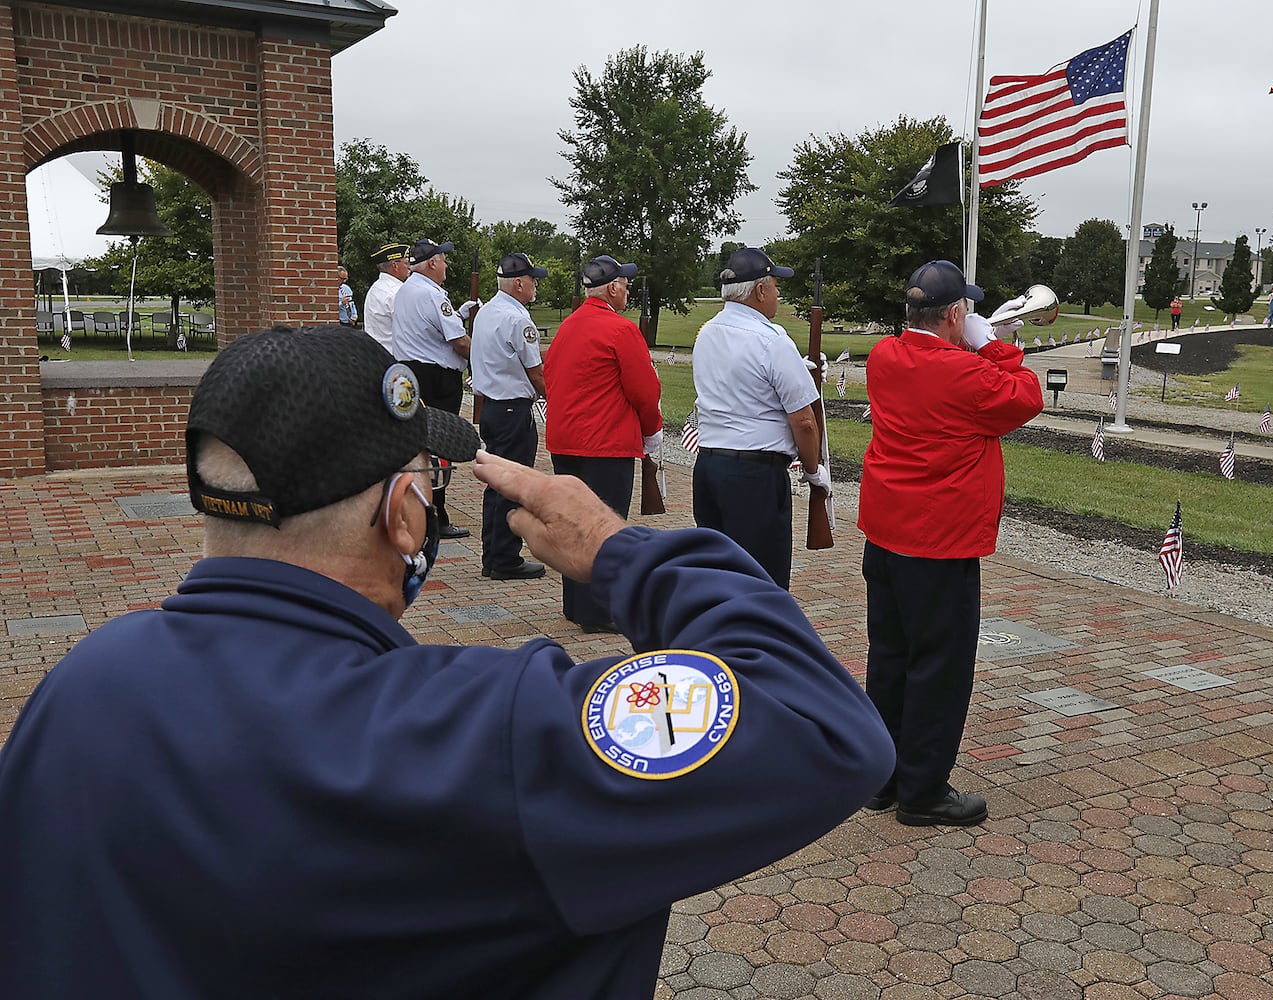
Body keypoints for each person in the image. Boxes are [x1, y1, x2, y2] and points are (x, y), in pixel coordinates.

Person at [0, 324, 894, 1000]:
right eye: (428, 478)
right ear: (403, 515)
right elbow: (825, 727)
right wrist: (622, 553)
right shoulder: (484, 728)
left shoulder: (84, 683)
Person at [858, 260, 1043, 827]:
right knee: (940, 667)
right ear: (956, 314)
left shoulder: (884, 357)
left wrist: (971, 343)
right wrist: (995, 345)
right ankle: (923, 789)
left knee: (890, 657)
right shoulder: (966, 375)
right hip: (939, 542)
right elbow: (1026, 396)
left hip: (887, 531)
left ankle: (883, 777)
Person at [691, 246, 827, 590]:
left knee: (718, 574)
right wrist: (813, 471)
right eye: (775, 286)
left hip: (709, 465)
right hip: (754, 474)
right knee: (761, 580)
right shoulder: (771, 339)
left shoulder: (706, 333)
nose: (778, 294)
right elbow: (805, 420)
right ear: (760, 290)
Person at [543, 254, 663, 633]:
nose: (627, 289)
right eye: (624, 284)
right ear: (612, 287)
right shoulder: (620, 329)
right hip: (605, 443)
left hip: (566, 441)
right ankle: (599, 611)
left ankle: (576, 603)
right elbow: (645, 390)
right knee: (603, 527)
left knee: (572, 525)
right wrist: (652, 431)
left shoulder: (569, 326)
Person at [471, 251, 549, 580]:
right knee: (514, 486)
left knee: (498, 484)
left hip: (491, 406)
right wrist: (555, 396)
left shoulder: (487, 312)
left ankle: (494, 554)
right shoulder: (519, 319)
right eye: (532, 280)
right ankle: (505, 557)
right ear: (518, 282)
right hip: (513, 409)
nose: (535, 286)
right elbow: (536, 373)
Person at [392, 237, 472, 539]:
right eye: (443, 259)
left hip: (412, 373)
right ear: (433, 262)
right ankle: (436, 514)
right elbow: (458, 341)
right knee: (440, 447)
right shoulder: (433, 294)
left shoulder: (407, 290)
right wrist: (481, 359)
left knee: (418, 444)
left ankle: (416, 509)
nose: (447, 265)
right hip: (436, 378)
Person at [363, 241, 410, 351]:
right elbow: (410, 331)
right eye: (406, 263)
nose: (409, 268)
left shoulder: (376, 288)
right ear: (395, 266)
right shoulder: (396, 292)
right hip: (394, 358)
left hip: (376, 354)